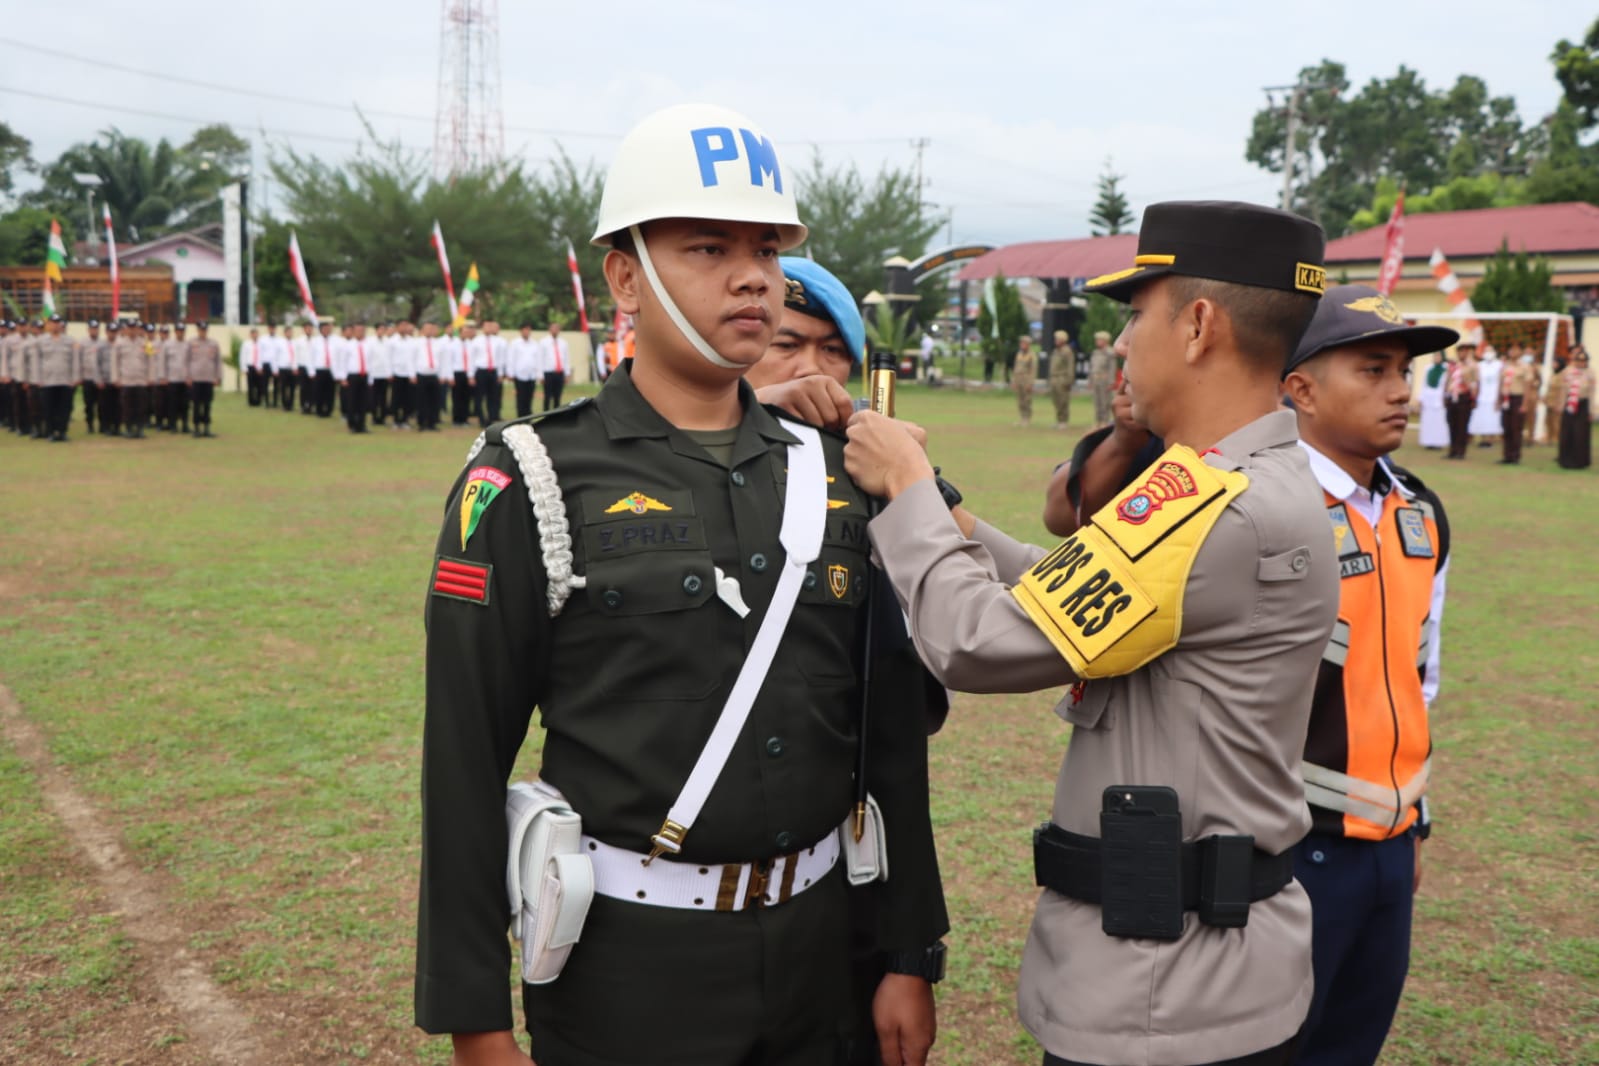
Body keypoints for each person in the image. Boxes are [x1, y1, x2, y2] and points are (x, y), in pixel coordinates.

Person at [416, 103, 943, 1066]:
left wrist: (908, 949)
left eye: (766, 250)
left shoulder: (837, 471)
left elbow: (889, 732)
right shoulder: (530, 475)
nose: (751, 276)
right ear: (626, 277)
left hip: (827, 956)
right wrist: (476, 1022)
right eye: (707, 247)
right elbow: (461, 764)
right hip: (629, 977)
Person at [844, 200, 1338, 1066]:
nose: (1118, 343)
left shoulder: (1219, 506)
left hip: (1167, 993)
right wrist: (954, 521)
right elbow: (1072, 586)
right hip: (1177, 973)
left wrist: (906, 488)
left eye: (1135, 315)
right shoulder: (1230, 481)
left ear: (1195, 326)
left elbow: (976, 643)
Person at [1278, 285, 1455, 1066]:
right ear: (1301, 388)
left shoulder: (1418, 513)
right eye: (1373, 369)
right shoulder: (1261, 504)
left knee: (1349, 1045)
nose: (1398, 391)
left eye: (1404, 372)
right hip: (1287, 849)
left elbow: (1420, 674)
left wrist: (1411, 821)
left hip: (1386, 845)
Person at [29, 314, 80, 442]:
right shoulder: (40, 341)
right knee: (48, 408)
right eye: (53, 323)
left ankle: (62, 432)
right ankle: (51, 432)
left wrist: (75, 377)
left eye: (58, 323)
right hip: (47, 381)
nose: (55, 325)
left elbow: (75, 361)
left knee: (65, 408)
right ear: (48, 325)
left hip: (65, 380)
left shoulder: (70, 341)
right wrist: (37, 379)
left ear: (61, 325)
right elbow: (36, 361)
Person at [1554, 346, 1594, 469]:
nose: (1582, 363)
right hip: (1569, 404)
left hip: (1583, 404)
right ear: (1575, 361)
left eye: (1584, 360)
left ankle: (1580, 461)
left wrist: (1592, 410)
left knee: (1580, 433)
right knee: (1567, 431)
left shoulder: (1590, 373)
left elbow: (1592, 392)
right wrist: (1560, 405)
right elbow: (1562, 390)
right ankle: (1566, 460)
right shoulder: (1567, 372)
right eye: (1579, 360)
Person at [113, 317, 151, 438]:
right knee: (127, 406)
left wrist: (150, 377)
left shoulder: (146, 343)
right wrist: (116, 378)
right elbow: (115, 362)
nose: (132, 330)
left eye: (134, 328)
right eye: (130, 328)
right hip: (126, 380)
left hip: (140, 380)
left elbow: (151, 361)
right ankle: (129, 429)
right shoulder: (119, 343)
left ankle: (139, 429)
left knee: (141, 406)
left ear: (137, 329)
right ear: (126, 329)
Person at [1500, 347, 1538, 464]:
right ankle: (1507, 455)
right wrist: (1499, 399)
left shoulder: (1525, 367)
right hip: (1506, 399)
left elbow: (1528, 386)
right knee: (1506, 427)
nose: (1513, 352)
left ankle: (1515, 456)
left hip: (1518, 398)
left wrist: (1525, 404)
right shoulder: (1505, 365)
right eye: (1511, 350)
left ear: (1520, 352)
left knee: (1516, 428)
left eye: (1516, 350)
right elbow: (1500, 383)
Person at [186, 320, 222, 437]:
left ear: (207, 331)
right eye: (201, 330)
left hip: (208, 379)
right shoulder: (191, 343)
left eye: (204, 330)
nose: (203, 332)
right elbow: (186, 361)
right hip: (195, 379)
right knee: (196, 405)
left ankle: (206, 428)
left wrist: (218, 376)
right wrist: (188, 376)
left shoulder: (213, 344)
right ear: (198, 330)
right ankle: (196, 428)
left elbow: (218, 362)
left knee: (207, 404)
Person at [1443, 341, 1476, 459]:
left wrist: (1474, 398)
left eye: (1464, 351)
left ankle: (1461, 451)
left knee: (1462, 425)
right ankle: (1452, 450)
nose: (1462, 353)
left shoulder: (1472, 366)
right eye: (1460, 351)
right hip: (1452, 397)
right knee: (1452, 424)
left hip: (1464, 397)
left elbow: (1475, 383)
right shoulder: (1453, 366)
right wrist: (1445, 395)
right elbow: (1447, 380)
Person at [339, 321, 372, 434]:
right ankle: (352, 425)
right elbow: (342, 362)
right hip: (352, 375)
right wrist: (343, 377)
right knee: (352, 401)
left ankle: (362, 425)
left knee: (363, 402)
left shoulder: (368, 344)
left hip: (365, 375)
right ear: (353, 332)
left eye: (362, 330)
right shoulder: (348, 345)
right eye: (357, 330)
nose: (360, 332)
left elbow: (371, 362)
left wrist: (371, 378)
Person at [1468, 344, 1503, 447]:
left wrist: (1499, 397)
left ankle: (1490, 440)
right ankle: (1483, 439)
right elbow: (1477, 381)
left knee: (1493, 418)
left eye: (1490, 351)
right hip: (1482, 396)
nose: (1488, 353)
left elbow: (1501, 381)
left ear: (1495, 353)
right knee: (1482, 417)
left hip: (1494, 396)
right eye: (1486, 351)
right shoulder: (1480, 365)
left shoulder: (1499, 365)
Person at [77, 318, 105, 436]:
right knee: (89, 405)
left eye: (96, 329)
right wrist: (79, 377)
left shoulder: (103, 343)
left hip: (100, 379)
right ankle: (90, 426)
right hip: (87, 378)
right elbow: (78, 360)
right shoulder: (82, 343)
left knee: (102, 404)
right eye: (92, 329)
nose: (94, 331)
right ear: (88, 330)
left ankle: (103, 426)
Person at [414, 321, 444, 432]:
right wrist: (412, 374)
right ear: (422, 330)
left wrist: (442, 375)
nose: (429, 331)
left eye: (431, 329)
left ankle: (432, 423)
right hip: (421, 374)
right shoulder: (416, 343)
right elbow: (412, 360)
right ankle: (422, 423)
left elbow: (442, 361)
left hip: (434, 374)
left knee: (434, 400)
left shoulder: (438, 343)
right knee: (422, 400)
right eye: (427, 329)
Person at [1416, 350, 1449, 449]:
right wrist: (1421, 398)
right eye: (1435, 355)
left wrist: (1445, 397)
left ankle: (1438, 442)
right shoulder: (1428, 368)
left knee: (1439, 421)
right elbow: (1424, 384)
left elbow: (1446, 385)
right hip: (1428, 397)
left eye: (1438, 356)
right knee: (1428, 421)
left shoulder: (1446, 368)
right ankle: (1428, 442)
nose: (1436, 357)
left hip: (1439, 398)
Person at [509, 322, 541, 418]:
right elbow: (511, 358)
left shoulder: (535, 344)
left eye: (529, 330)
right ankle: (521, 417)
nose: (527, 332)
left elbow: (538, 359)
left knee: (529, 397)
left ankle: (528, 417)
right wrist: (511, 373)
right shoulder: (515, 343)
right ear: (521, 331)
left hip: (531, 374)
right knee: (521, 398)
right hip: (519, 375)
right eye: (525, 330)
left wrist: (539, 373)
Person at [1087, 330, 1116, 426]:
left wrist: (1111, 382)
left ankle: (1105, 421)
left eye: (1099, 340)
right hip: (1095, 379)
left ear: (1105, 341)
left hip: (1104, 380)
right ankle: (1098, 420)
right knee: (1097, 401)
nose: (1097, 342)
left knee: (1105, 401)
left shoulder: (1110, 353)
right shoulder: (1095, 352)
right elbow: (1092, 367)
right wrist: (1090, 380)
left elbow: (1112, 368)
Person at [539, 320, 569, 410]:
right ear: (549, 329)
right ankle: (546, 415)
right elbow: (540, 359)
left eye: (557, 328)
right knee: (547, 396)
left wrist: (567, 374)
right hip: (548, 373)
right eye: (553, 328)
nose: (555, 330)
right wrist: (540, 375)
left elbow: (566, 359)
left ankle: (556, 416)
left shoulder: (564, 343)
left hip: (559, 372)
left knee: (558, 396)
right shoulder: (543, 342)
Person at [1048, 329, 1074, 429]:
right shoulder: (1055, 351)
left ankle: (1064, 421)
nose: (1056, 340)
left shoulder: (1067, 351)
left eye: (1057, 339)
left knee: (1063, 400)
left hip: (1062, 379)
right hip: (1054, 378)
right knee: (1056, 400)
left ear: (1063, 340)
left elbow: (1070, 367)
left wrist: (1069, 381)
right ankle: (1058, 420)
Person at [1012, 334, 1038, 426]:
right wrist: (1014, 381)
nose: (1022, 345)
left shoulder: (1031, 355)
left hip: (1026, 380)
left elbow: (1033, 370)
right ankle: (1022, 418)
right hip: (1019, 379)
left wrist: (1030, 383)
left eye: (1024, 343)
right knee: (1020, 400)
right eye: (1021, 343)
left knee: (1027, 400)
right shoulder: (1019, 354)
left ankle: (1027, 418)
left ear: (1028, 344)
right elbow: (1015, 368)